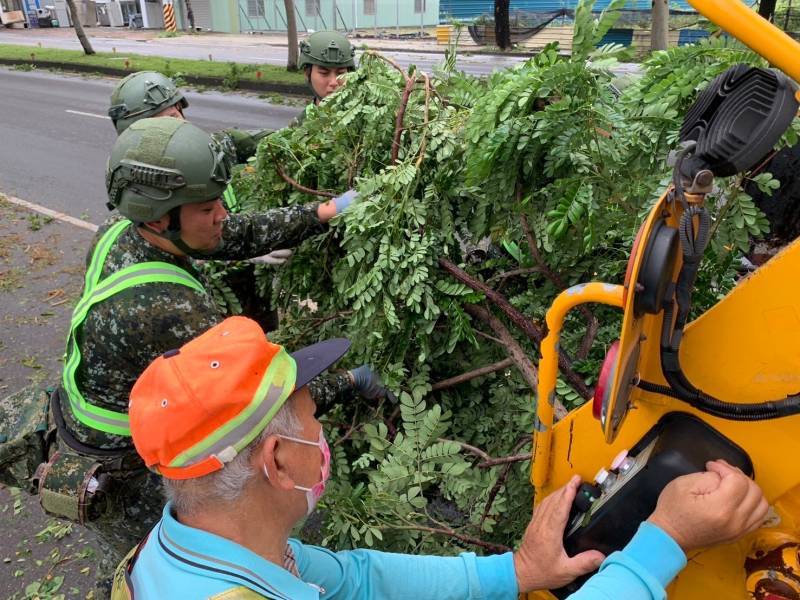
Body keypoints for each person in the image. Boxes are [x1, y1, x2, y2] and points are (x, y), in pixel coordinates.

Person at [111, 315, 769, 599]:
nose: (326, 435)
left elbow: (358, 581)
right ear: (278, 462)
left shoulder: (193, 547)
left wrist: (516, 571)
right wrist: (665, 541)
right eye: (317, 420)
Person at [0, 117, 382, 593]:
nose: (222, 214)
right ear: (161, 218)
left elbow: (233, 234)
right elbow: (258, 405)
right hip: (129, 472)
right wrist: (348, 382)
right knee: (158, 559)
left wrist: (323, 212)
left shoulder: (120, 233)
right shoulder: (167, 308)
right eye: (207, 207)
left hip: (87, 435)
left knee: (123, 556)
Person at [299, 31, 356, 106]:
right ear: (307, 73)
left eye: (341, 73)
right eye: (324, 73)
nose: (334, 83)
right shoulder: (303, 118)